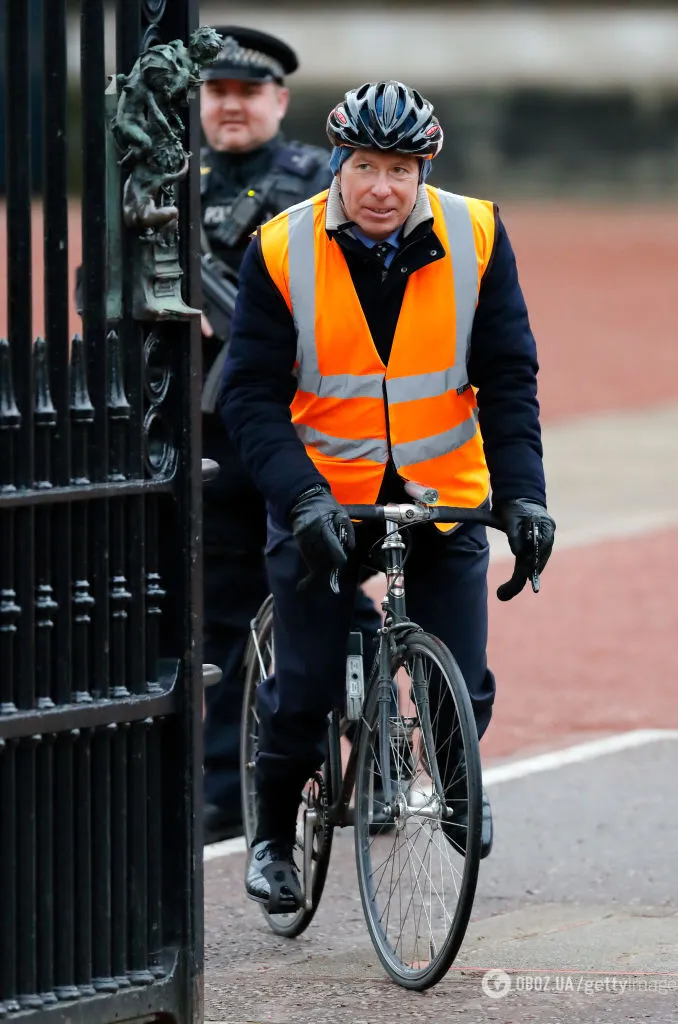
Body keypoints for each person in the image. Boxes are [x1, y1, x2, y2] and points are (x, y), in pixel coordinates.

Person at [218, 80, 556, 911]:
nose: (381, 187)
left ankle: (449, 773)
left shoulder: (477, 235)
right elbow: (249, 396)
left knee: (462, 681)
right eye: (364, 166)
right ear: (336, 166)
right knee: (300, 686)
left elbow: (508, 376)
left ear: (423, 171)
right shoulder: (280, 247)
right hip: (323, 501)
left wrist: (524, 498)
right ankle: (271, 838)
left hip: (441, 494)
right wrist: (300, 499)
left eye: (400, 169)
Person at [199, 29, 381, 845]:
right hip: (198, 434)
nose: (231, 106)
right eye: (216, 93)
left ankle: (376, 754)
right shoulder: (167, 184)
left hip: (297, 430)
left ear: (279, 100)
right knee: (212, 612)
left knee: (332, 594)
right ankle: (220, 789)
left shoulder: (317, 186)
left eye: (248, 92)